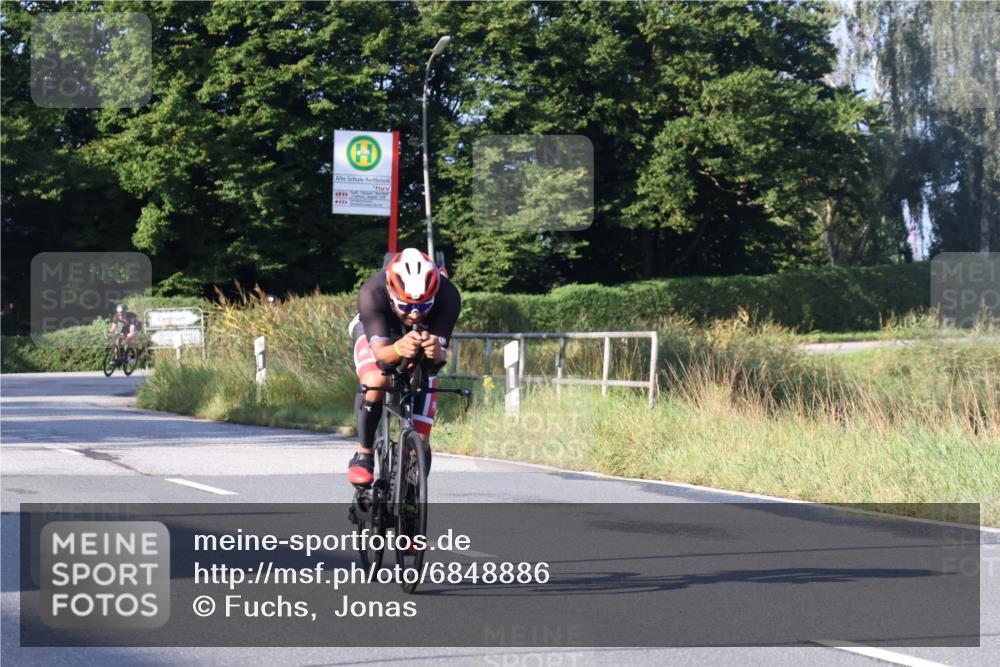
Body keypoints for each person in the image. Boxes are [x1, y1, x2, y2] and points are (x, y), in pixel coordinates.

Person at [347, 248, 461, 486]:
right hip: (378, 332)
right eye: (407, 306)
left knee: (421, 436)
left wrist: (437, 351)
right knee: (376, 380)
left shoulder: (448, 296)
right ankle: (364, 453)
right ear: (392, 294)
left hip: (417, 340)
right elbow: (381, 355)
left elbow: (438, 360)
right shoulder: (372, 292)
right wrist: (398, 349)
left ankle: (411, 491)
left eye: (424, 305)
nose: (416, 314)